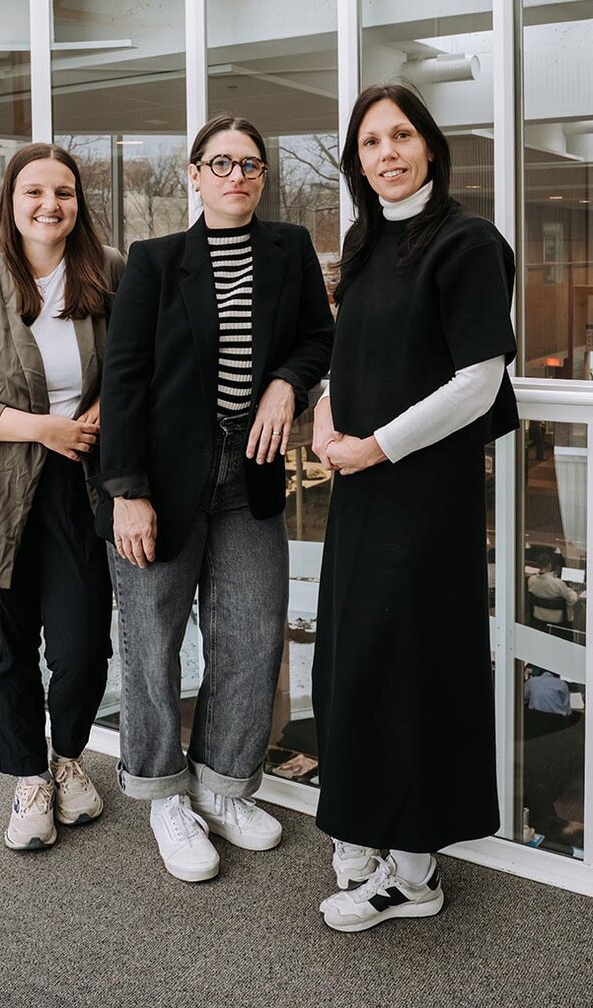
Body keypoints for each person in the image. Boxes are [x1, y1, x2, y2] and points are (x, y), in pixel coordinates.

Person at [96, 113, 333, 882]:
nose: (239, 176)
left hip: (250, 472)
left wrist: (285, 387)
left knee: (255, 633)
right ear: (194, 176)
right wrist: (127, 491)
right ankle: (165, 793)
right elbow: (124, 381)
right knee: (152, 636)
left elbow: (315, 339)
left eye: (252, 165)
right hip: (162, 480)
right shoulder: (156, 261)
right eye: (222, 163)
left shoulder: (290, 250)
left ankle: (225, 787)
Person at [311, 83, 519, 932]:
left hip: (420, 497)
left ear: (431, 147)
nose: (387, 153)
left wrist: (375, 447)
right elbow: (344, 359)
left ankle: (415, 874)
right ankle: (366, 827)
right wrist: (326, 421)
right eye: (370, 143)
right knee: (352, 660)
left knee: (411, 671)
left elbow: (480, 381)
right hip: (359, 487)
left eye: (401, 136)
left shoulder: (468, 243)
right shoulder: (365, 244)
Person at [0, 143, 123, 851]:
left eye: (65, 192)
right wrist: (42, 427)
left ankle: (68, 758)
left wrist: (101, 407)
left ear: (79, 203)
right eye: (34, 193)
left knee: (81, 648)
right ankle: (28, 780)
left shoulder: (108, 276)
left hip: (80, 492)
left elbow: (136, 364)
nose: (51, 205)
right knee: (8, 649)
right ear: (10, 205)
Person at [528, 552, 579, 629]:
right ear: (549, 566)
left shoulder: (531, 580)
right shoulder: (558, 584)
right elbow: (573, 599)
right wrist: (572, 591)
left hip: (538, 619)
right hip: (558, 622)